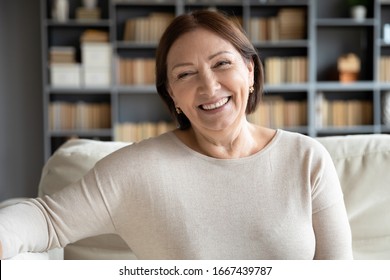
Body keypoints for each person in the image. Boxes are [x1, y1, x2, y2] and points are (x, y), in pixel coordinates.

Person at [0, 10, 352, 260]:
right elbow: (46, 219)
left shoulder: (307, 159)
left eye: (222, 63)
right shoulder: (137, 169)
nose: (209, 86)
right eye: (186, 74)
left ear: (250, 71)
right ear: (172, 96)